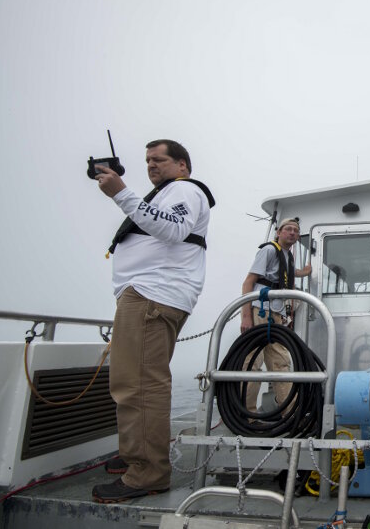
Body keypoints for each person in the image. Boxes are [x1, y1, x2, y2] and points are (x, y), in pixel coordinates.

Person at [91, 139, 214, 503]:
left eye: (159, 160)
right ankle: (137, 454)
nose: (150, 166)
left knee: (138, 385)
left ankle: (147, 471)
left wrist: (121, 193)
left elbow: (174, 229)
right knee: (137, 380)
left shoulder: (184, 190)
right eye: (147, 161)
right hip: (150, 296)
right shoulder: (169, 191)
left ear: (182, 166)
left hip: (151, 296)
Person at [240, 218, 312, 412]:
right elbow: (248, 282)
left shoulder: (287, 256)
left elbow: (286, 273)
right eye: (288, 229)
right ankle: (248, 414)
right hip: (259, 309)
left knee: (280, 362)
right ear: (278, 233)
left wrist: (304, 272)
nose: (292, 233)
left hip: (277, 314)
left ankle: (290, 412)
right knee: (254, 362)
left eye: (296, 230)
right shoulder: (269, 250)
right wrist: (245, 316)